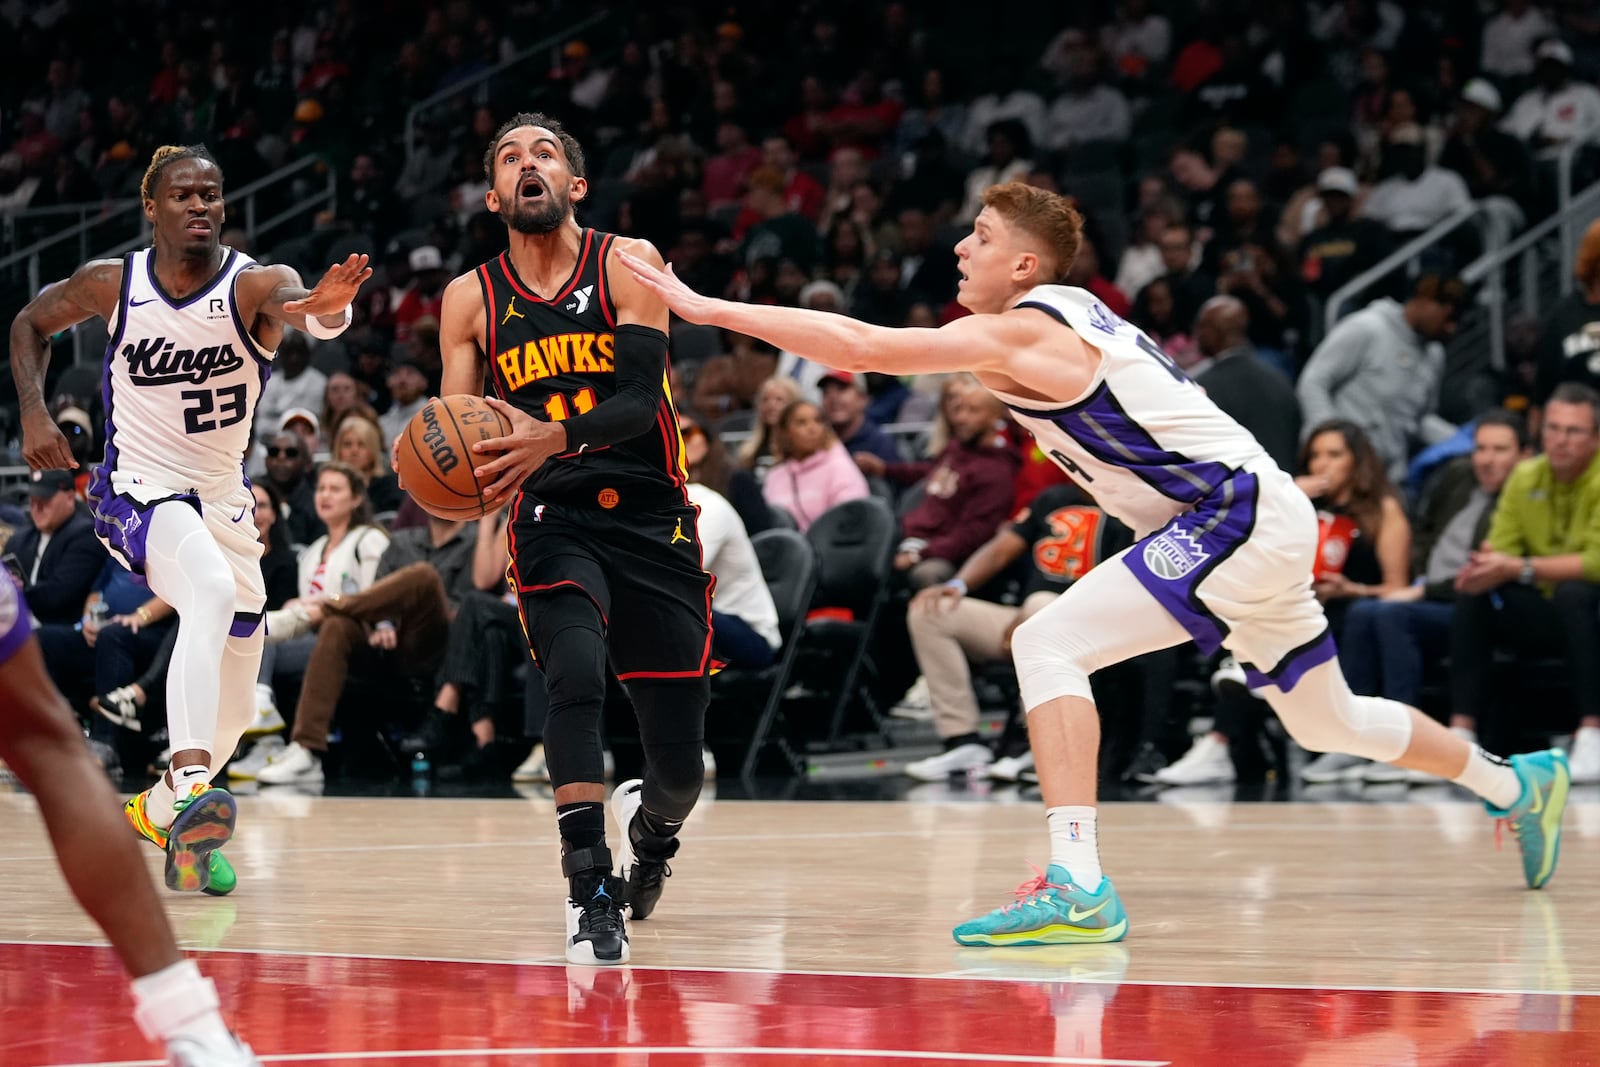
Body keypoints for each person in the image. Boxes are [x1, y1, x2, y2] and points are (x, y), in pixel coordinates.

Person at [622, 179, 1572, 947]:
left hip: (1228, 510)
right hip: (1254, 511)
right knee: (1329, 720)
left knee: (1049, 641)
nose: (961, 247)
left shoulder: (1032, 329)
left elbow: (863, 345)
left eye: (981, 236)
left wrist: (700, 305)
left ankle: (1077, 880)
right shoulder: (1061, 314)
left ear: (1024, 263)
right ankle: (1515, 782)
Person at [10, 143, 371, 895]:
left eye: (211, 193)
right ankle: (190, 776)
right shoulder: (114, 284)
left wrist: (326, 307)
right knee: (203, 591)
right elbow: (27, 324)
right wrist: (35, 409)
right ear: (153, 206)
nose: (200, 205)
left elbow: (308, 309)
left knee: (234, 704)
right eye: (183, 195)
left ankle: (166, 811)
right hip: (136, 490)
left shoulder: (253, 284)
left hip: (224, 502)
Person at [406, 112, 714, 967]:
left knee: (679, 766)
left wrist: (548, 432)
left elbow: (637, 402)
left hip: (652, 513)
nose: (526, 163)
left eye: (544, 152)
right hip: (552, 519)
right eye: (509, 157)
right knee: (572, 679)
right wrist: (462, 476)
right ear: (494, 193)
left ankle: (652, 840)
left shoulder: (628, 260)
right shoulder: (469, 298)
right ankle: (591, 890)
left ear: (576, 184)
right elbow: (460, 426)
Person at [0, 575, 259, 1063]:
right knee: (51, 748)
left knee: (233, 714)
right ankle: (194, 1028)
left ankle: (157, 811)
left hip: (233, 545)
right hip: (155, 509)